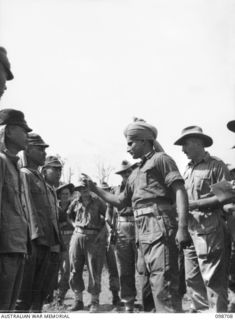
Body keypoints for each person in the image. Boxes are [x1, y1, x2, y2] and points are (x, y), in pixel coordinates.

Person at [82, 118, 191, 313]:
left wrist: (182, 228)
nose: (128, 148)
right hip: (142, 231)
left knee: (163, 286)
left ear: (144, 140)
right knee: (151, 283)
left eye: (131, 143)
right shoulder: (135, 173)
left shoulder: (161, 160)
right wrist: (94, 188)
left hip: (160, 225)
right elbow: (119, 201)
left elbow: (180, 191)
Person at [174, 125, 231, 312]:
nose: (182, 149)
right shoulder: (187, 169)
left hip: (210, 228)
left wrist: (195, 204)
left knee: (213, 280)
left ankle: (219, 316)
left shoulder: (216, 165)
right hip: (189, 228)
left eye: (186, 144)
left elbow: (227, 197)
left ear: (198, 143)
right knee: (192, 279)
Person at [15, 133, 58, 312]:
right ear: (27, 149)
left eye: (44, 149)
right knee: (23, 297)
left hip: (46, 242)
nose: (43, 152)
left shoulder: (39, 178)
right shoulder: (25, 174)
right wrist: (34, 238)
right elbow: (29, 208)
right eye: (39, 149)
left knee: (39, 293)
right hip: (34, 242)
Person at [0, 108, 31, 311]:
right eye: (23, 130)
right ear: (9, 131)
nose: (27, 135)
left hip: (16, 246)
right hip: (4, 248)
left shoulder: (13, 165)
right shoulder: (1, 162)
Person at [67, 178, 107, 313]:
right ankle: (78, 300)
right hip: (77, 236)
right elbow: (69, 215)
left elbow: (107, 215)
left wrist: (102, 232)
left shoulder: (98, 201)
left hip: (93, 238)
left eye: (85, 187)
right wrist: (74, 225)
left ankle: (94, 301)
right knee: (75, 268)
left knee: (94, 269)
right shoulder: (75, 202)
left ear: (89, 188)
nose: (83, 190)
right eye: (80, 188)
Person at [106, 161, 137, 312]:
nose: (125, 175)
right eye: (122, 173)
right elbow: (109, 212)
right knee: (124, 268)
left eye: (128, 172)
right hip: (121, 226)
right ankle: (128, 303)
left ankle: (149, 301)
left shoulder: (139, 187)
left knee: (144, 267)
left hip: (138, 224)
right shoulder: (116, 190)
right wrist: (111, 230)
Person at [41, 156, 65, 304]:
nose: (59, 172)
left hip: (53, 245)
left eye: (60, 169)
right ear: (44, 171)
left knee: (47, 285)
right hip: (43, 245)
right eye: (54, 169)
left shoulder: (52, 191)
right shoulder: (39, 187)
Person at [100, 182, 121, 309]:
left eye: (106, 190)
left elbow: (113, 220)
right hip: (95, 240)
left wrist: (112, 230)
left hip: (111, 239)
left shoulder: (112, 204)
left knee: (113, 269)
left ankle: (115, 295)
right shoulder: (93, 202)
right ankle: (94, 299)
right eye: (102, 190)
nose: (104, 193)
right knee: (95, 270)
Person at [56, 183, 75, 305]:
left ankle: (61, 295)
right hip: (55, 238)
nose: (65, 196)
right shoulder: (54, 206)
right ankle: (52, 294)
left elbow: (76, 222)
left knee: (66, 267)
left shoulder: (73, 206)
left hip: (69, 237)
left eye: (67, 194)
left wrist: (68, 221)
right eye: (62, 194)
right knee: (54, 267)